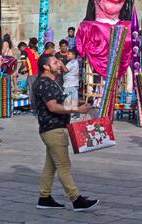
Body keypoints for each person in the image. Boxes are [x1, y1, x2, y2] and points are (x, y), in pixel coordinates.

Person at [32, 51, 97, 210]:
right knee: (63, 165)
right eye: (55, 63)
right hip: (53, 129)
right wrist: (77, 109)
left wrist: (81, 103)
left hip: (53, 128)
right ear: (46, 67)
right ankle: (76, 199)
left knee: (51, 165)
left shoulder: (52, 82)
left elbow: (62, 101)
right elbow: (53, 106)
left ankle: (44, 197)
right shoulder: (44, 83)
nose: (59, 64)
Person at [60, 40, 81, 107]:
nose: (67, 55)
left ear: (74, 56)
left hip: (71, 83)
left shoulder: (72, 62)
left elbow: (66, 70)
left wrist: (61, 64)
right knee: (71, 98)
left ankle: (73, 113)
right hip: (70, 83)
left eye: (69, 54)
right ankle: (73, 113)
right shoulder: (72, 62)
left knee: (71, 98)